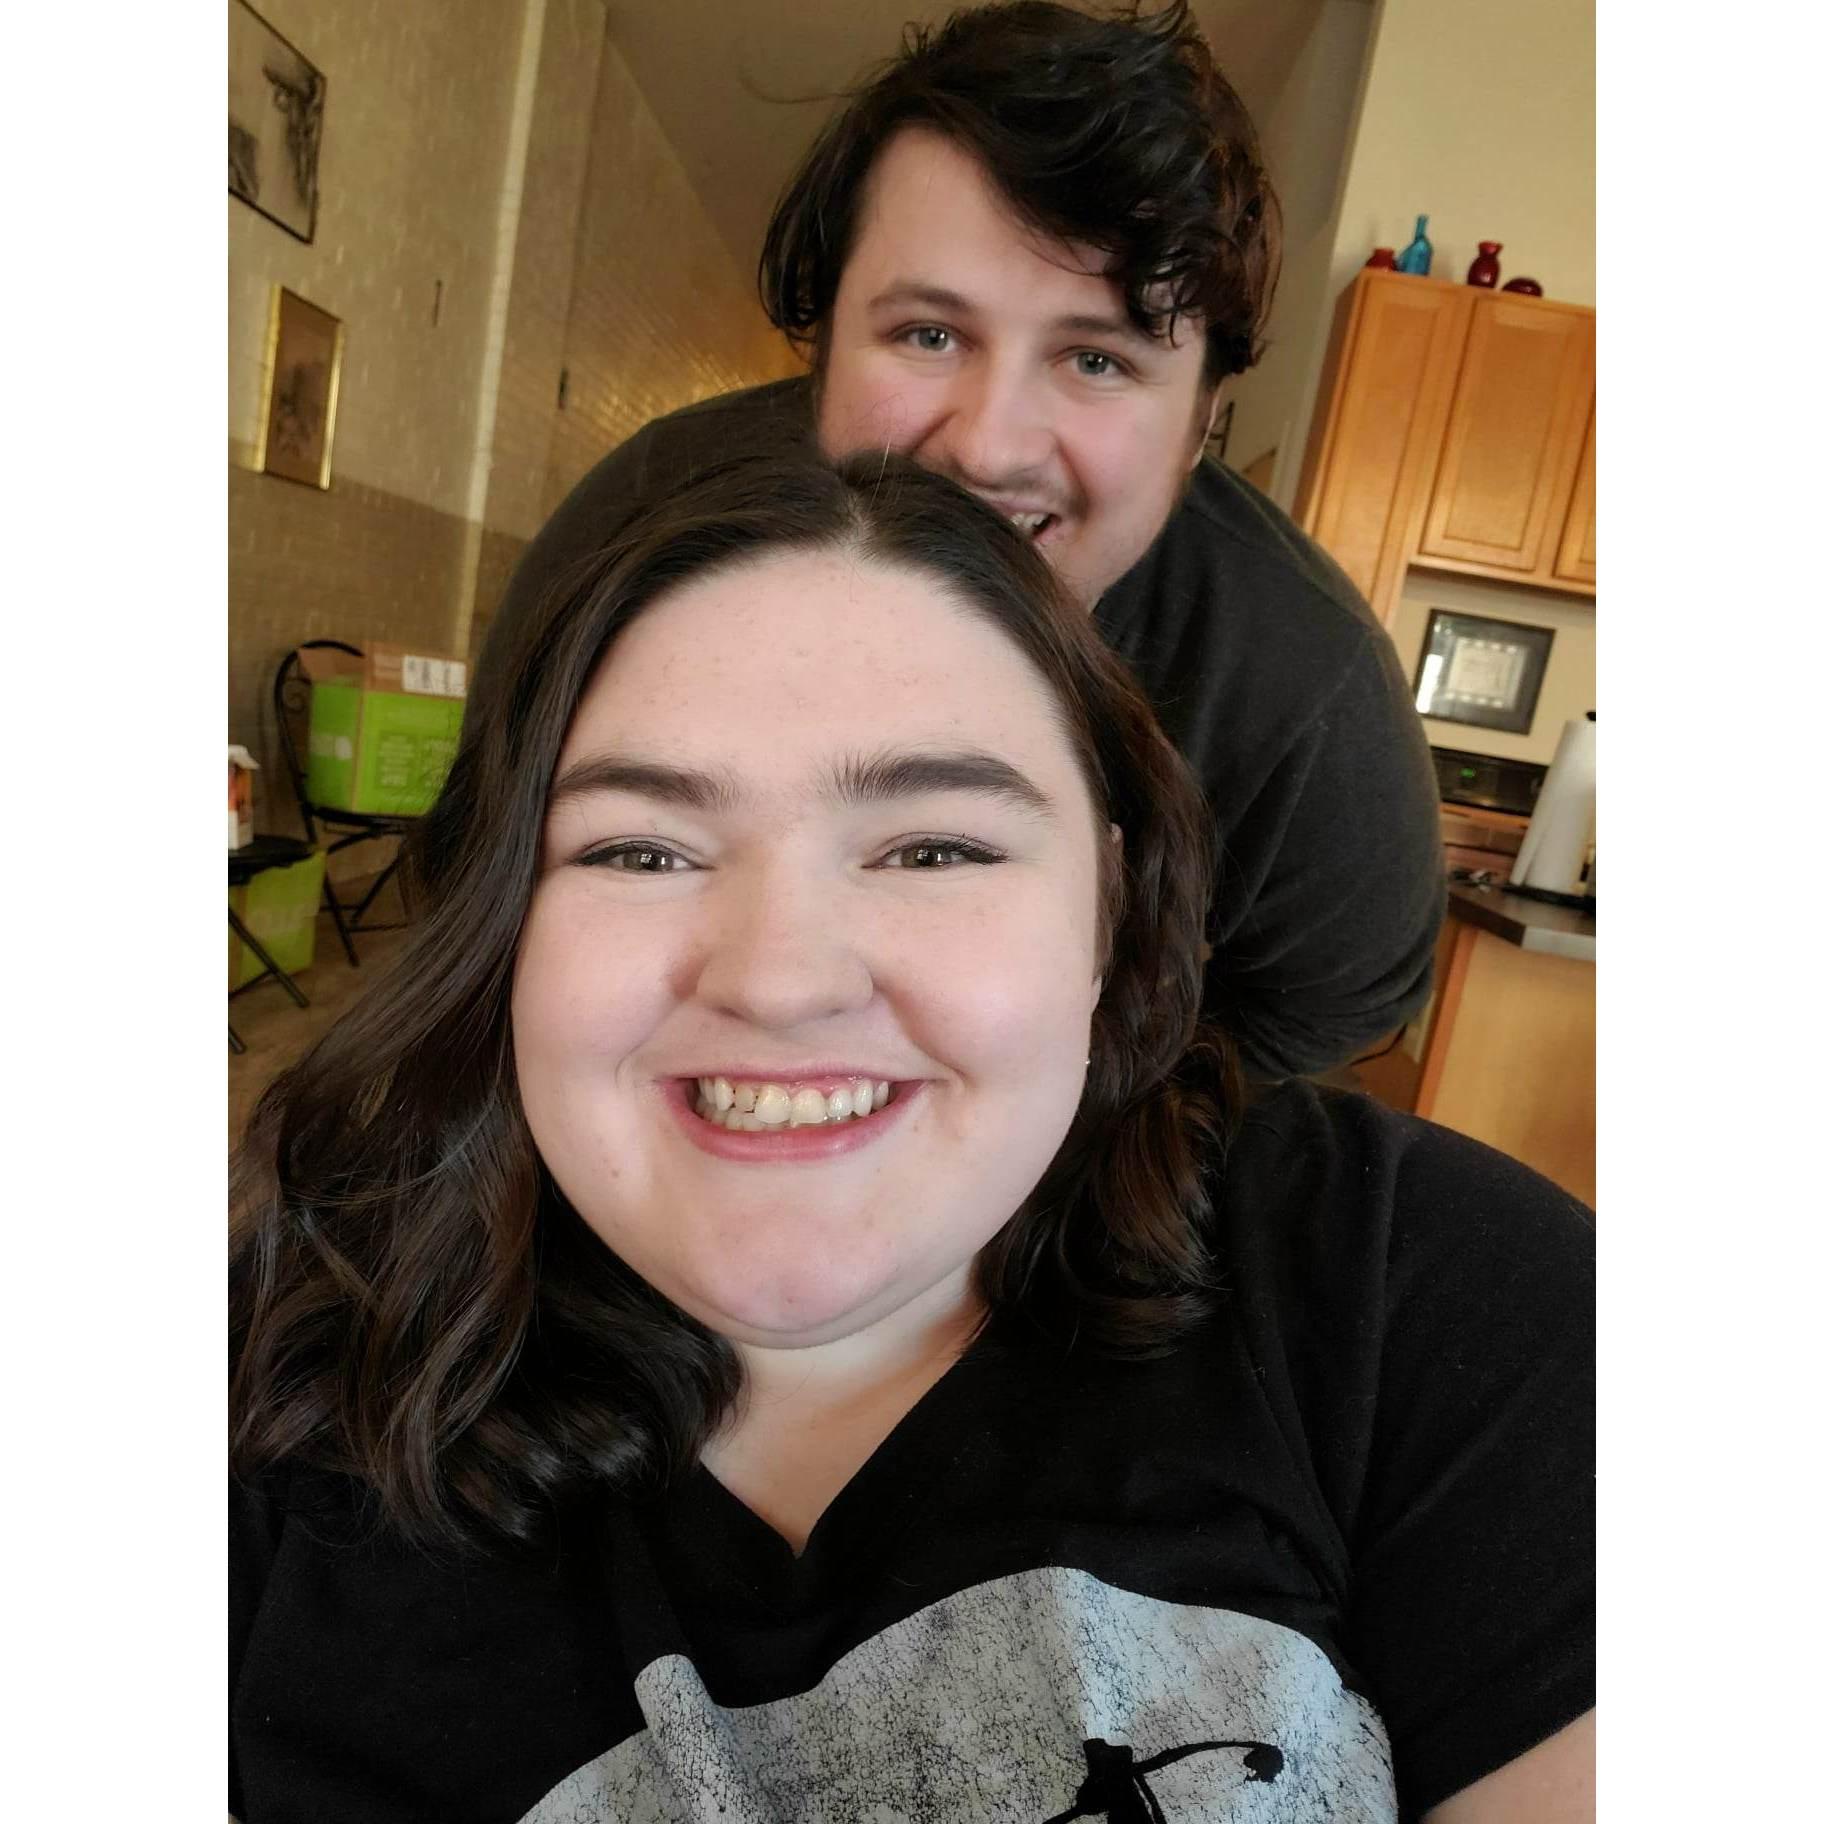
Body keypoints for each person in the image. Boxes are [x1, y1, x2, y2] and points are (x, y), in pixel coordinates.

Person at [231, 450, 1593, 1823]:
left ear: (1110, 908)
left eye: (934, 849)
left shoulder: (1427, 1294)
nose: (779, 979)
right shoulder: (262, 1381)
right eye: (640, 851)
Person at [473, 0, 1446, 1084]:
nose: (988, 447)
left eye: (1097, 360)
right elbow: (482, 876)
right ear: (822, 350)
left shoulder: (1307, 688)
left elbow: (1332, 1005)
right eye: (928, 334)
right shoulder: (642, 522)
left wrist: (1031, 1124)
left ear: (1199, 426)